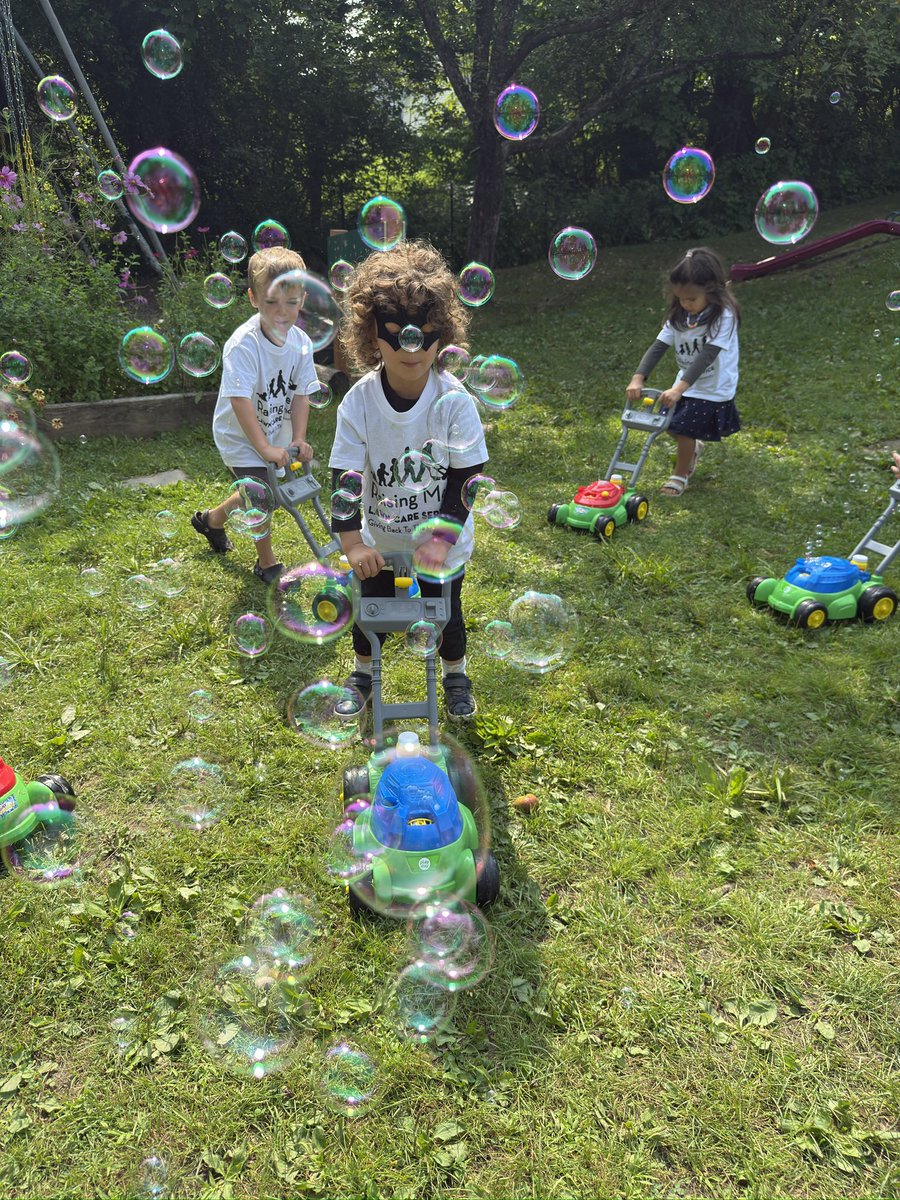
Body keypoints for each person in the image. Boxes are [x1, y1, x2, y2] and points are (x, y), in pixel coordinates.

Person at [328, 240, 488, 720]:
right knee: (367, 613)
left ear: (442, 336)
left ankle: (455, 673)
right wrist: (354, 545)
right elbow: (346, 477)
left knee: (447, 615)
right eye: (394, 335)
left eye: (423, 335)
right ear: (370, 337)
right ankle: (363, 673)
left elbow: (467, 475)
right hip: (381, 541)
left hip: (442, 546)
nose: (409, 349)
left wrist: (440, 539)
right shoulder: (358, 403)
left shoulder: (454, 401)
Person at [190, 246, 319, 583]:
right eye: (271, 302)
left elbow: (302, 392)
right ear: (253, 298)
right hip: (241, 436)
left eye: (291, 303)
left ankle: (213, 519)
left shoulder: (301, 343)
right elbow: (240, 401)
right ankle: (266, 563)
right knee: (260, 493)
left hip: (275, 433)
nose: (282, 312)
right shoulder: (244, 345)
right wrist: (262, 449)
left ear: (302, 300)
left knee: (264, 491)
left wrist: (298, 438)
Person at [626, 246, 741, 497]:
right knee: (669, 424)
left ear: (712, 291)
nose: (686, 304)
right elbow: (658, 346)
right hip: (687, 383)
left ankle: (679, 475)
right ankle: (692, 448)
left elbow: (707, 355)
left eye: (692, 299)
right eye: (681, 298)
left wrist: (679, 388)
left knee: (685, 428)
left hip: (713, 388)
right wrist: (638, 377)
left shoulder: (724, 315)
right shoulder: (679, 316)